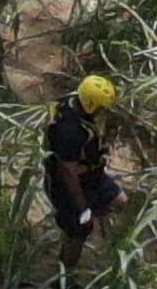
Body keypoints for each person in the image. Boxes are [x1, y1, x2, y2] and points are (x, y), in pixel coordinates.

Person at [43, 73, 128, 275]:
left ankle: (76, 222)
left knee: (120, 201)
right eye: (102, 109)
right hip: (67, 184)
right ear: (91, 105)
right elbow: (68, 174)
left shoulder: (73, 103)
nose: (104, 113)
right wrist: (83, 208)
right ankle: (64, 279)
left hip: (90, 174)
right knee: (79, 232)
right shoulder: (69, 132)